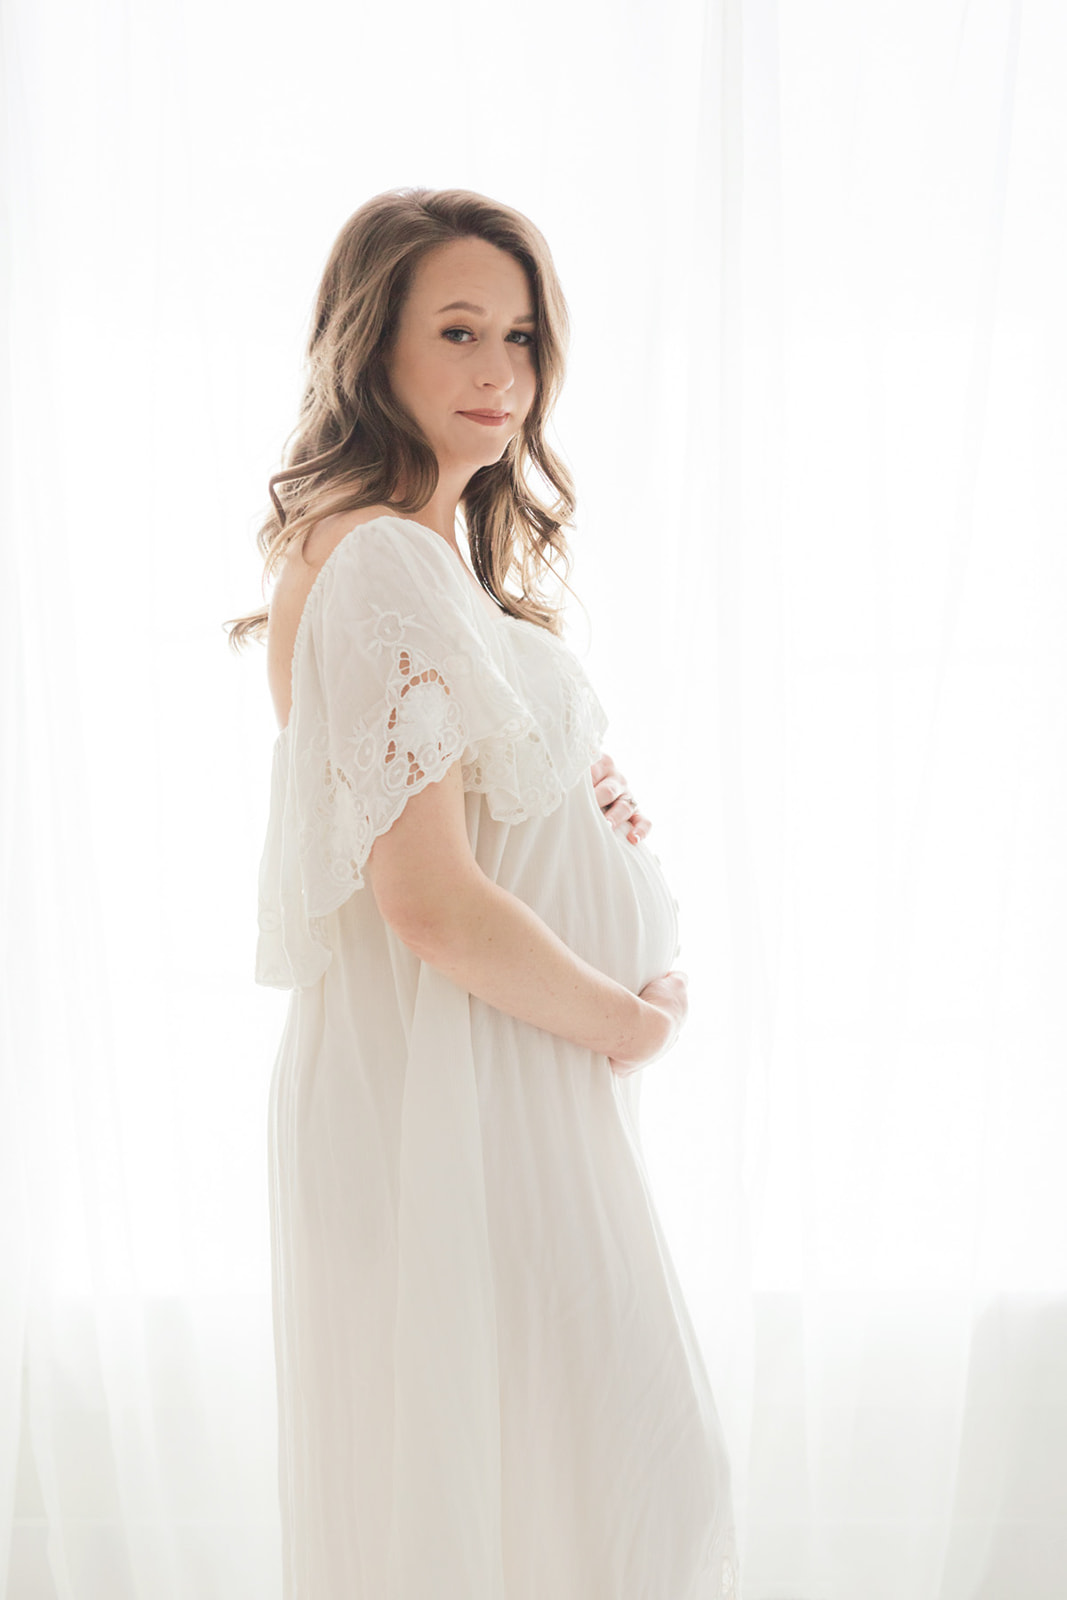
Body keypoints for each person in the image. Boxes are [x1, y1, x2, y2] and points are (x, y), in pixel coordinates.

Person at [227, 186, 740, 1599]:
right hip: (464, 1090)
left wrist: (579, 790)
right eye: (457, 330)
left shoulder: (418, 557)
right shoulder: (380, 551)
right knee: (619, 1493)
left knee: (567, 1503)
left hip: (495, 1088)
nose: (500, 372)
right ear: (369, 343)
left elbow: (458, 817)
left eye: (521, 336)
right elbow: (429, 901)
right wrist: (626, 1023)